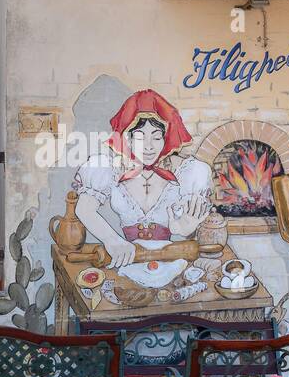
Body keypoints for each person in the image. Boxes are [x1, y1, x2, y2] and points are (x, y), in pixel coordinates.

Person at [72, 89, 212, 269]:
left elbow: (190, 231)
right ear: (128, 138)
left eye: (156, 137)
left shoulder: (188, 171)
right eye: (140, 137)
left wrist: (184, 230)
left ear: (165, 138)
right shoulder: (109, 167)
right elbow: (83, 209)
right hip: (125, 263)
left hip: (172, 263)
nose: (148, 147)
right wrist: (112, 240)